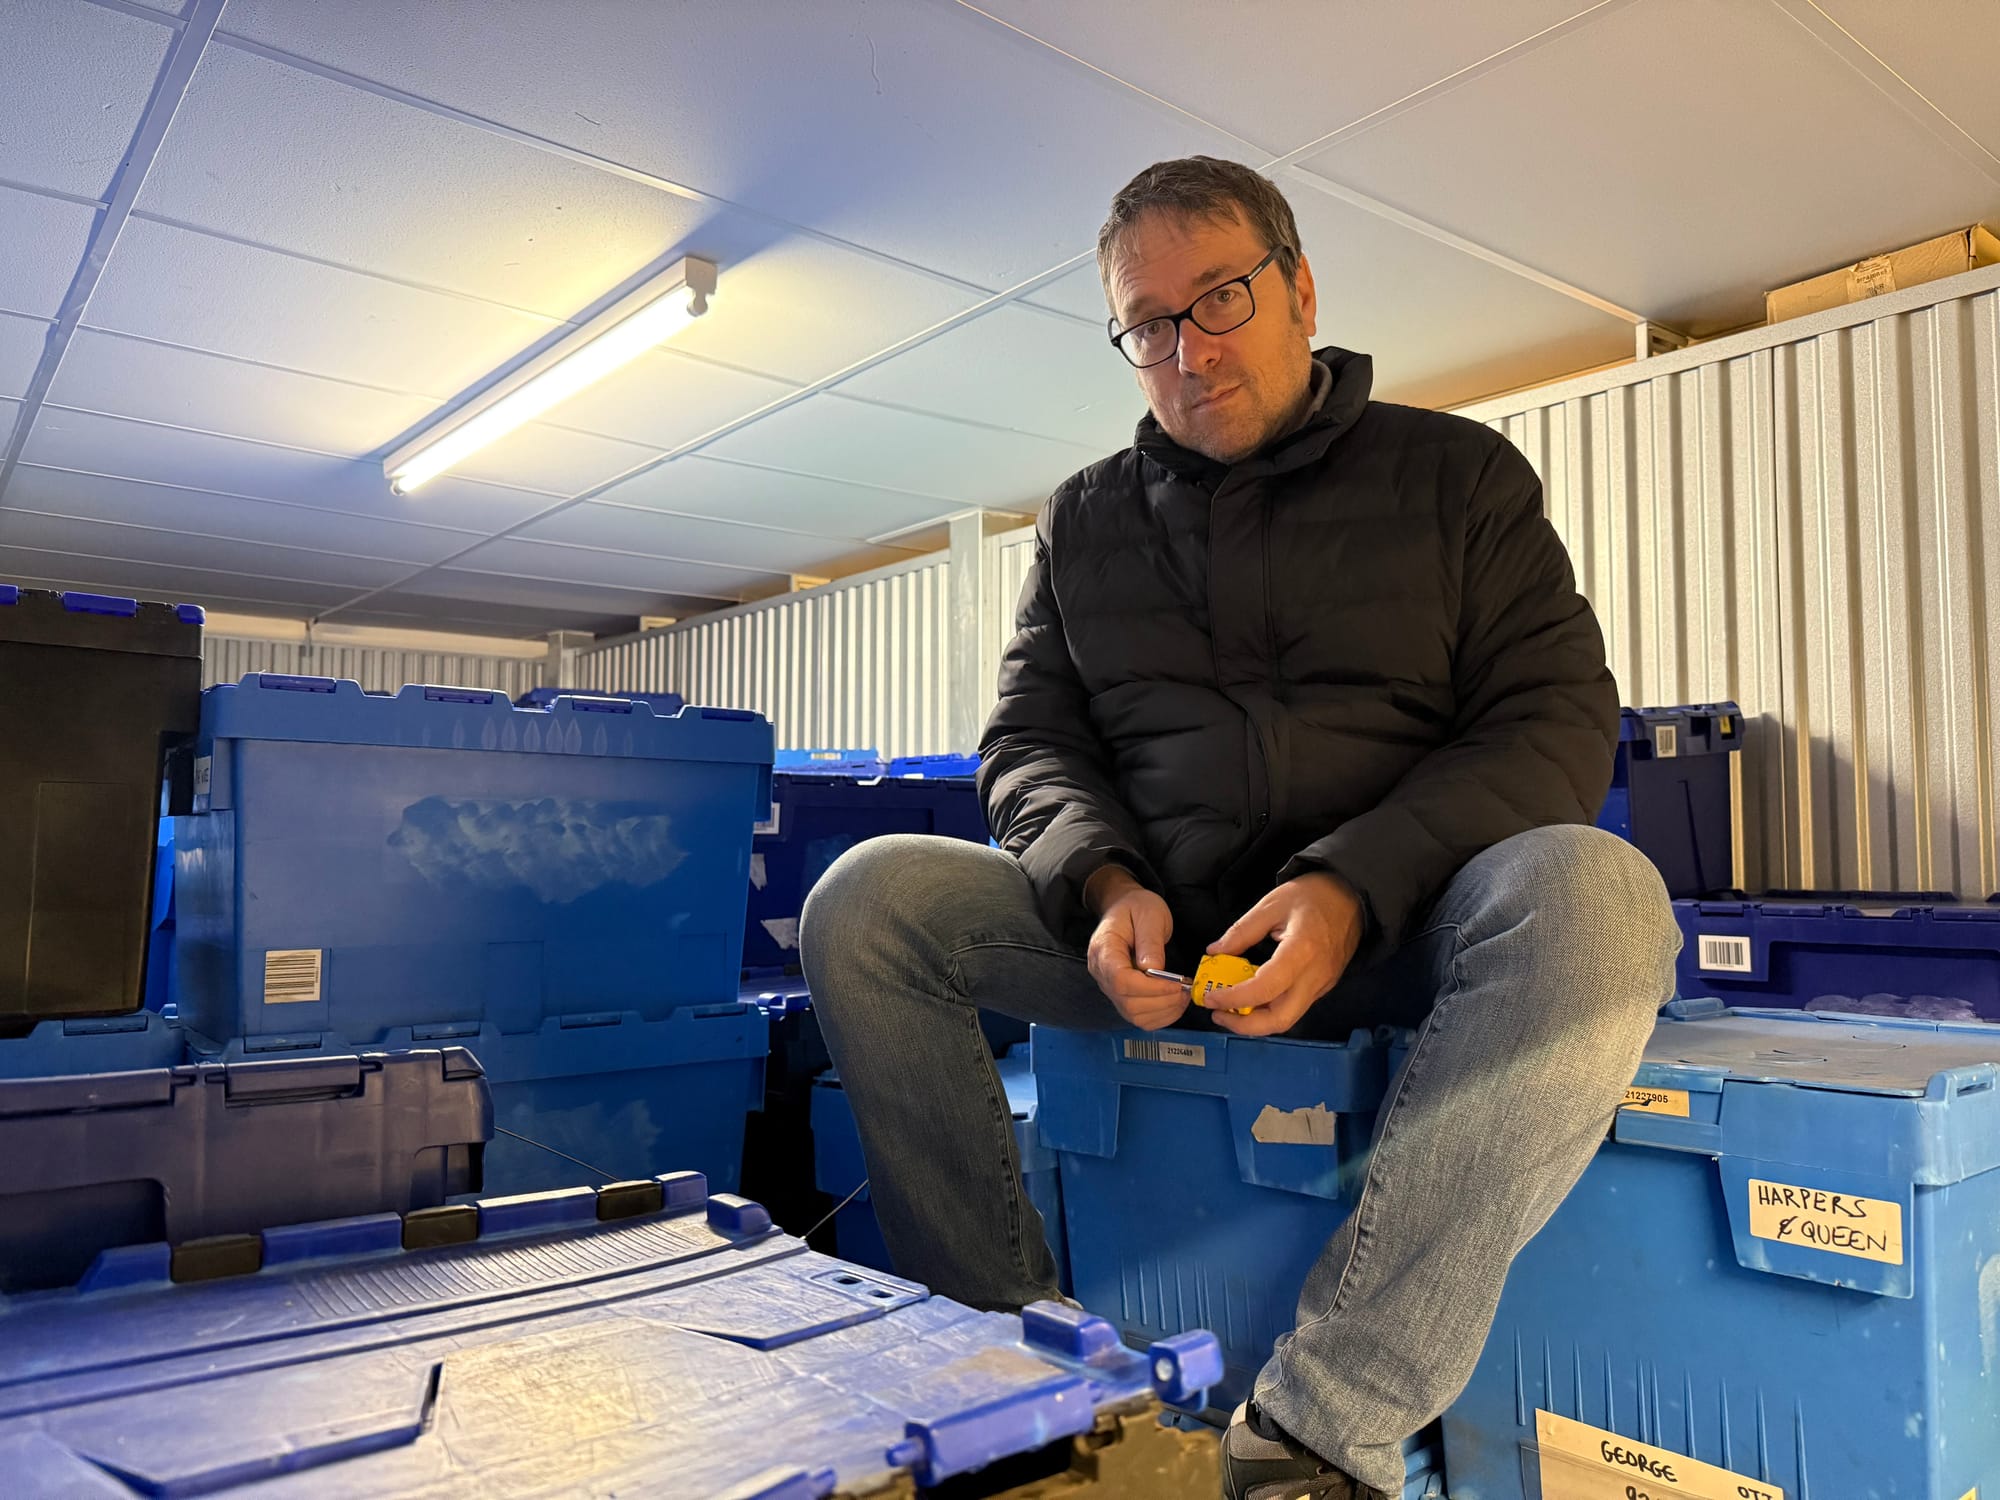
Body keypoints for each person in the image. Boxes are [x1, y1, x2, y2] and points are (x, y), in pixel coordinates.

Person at [800, 155, 1679, 1500]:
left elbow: (1554, 723)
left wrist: (1348, 885)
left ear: (1299, 288)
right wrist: (1098, 884)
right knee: (867, 901)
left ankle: (1319, 1432)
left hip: (1400, 928)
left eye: (1218, 300)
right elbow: (1029, 743)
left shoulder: (1461, 480)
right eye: (1147, 325)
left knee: (1600, 895)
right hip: (1162, 946)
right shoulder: (1084, 520)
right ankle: (1009, 1378)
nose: (1187, 351)